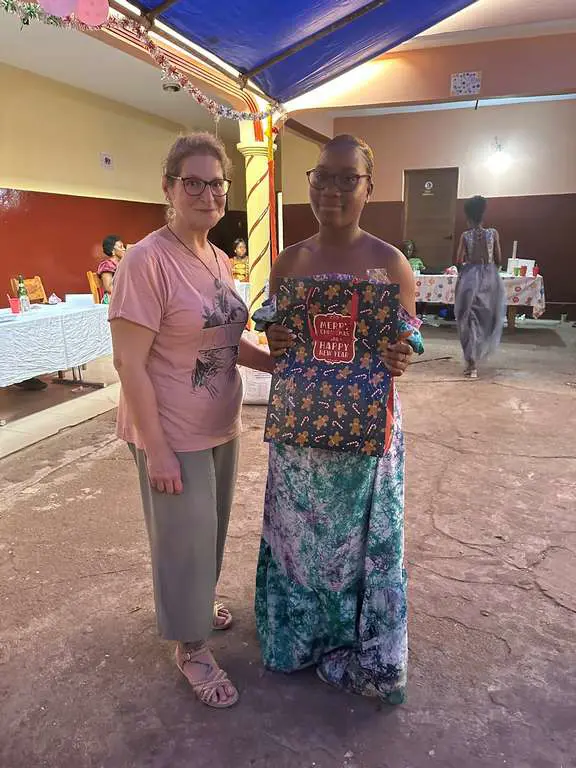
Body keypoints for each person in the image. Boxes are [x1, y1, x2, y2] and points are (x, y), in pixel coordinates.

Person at [255, 134, 423, 704]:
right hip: (302, 439)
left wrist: (400, 354)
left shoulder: (389, 263)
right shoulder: (290, 262)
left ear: (369, 188)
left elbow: (407, 337)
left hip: (365, 437)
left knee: (357, 546)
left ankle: (358, 645)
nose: (332, 188)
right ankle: (300, 640)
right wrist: (277, 339)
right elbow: (277, 332)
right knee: (301, 541)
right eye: (322, 176)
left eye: (347, 178)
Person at [109, 132, 273, 709]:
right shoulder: (145, 261)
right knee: (184, 538)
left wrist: (278, 363)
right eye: (193, 183)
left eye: (216, 184)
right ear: (168, 188)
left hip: (219, 423)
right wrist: (156, 449)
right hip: (171, 430)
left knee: (211, 530)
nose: (207, 194)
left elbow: (224, 338)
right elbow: (128, 362)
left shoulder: (218, 258)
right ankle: (191, 646)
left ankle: (197, 604)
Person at [455, 196, 505, 379]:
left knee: (468, 318)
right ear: (483, 215)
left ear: (468, 217)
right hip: (490, 277)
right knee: (487, 317)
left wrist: (466, 270)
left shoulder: (465, 236)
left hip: (470, 277)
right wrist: (490, 270)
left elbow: (458, 259)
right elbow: (498, 258)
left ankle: (471, 364)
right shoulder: (493, 233)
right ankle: (480, 353)